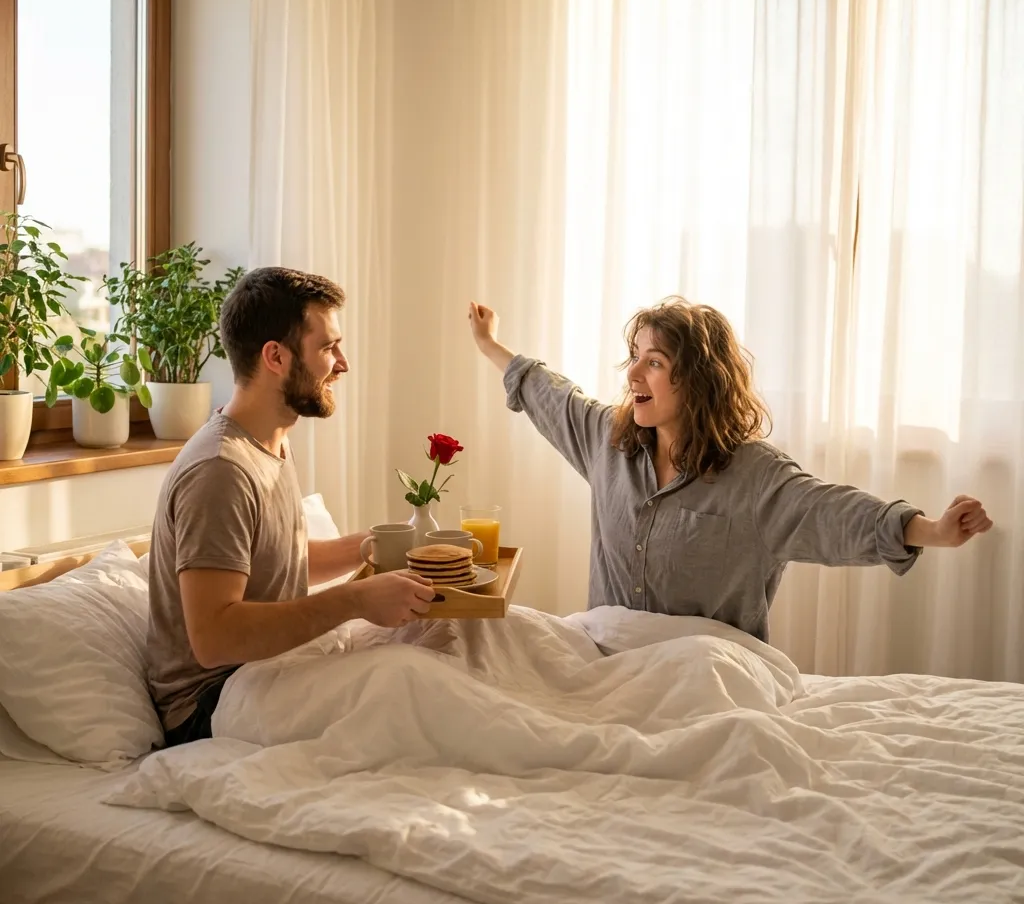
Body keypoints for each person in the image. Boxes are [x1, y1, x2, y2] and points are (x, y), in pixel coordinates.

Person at [468, 297, 993, 641]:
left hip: (704, 678)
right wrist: (490, 344)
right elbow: (551, 393)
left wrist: (933, 530)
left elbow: (834, 513)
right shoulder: (607, 440)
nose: (633, 373)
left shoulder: (756, 477)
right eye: (634, 356)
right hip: (606, 666)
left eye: (655, 361)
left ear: (698, 381)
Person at [146, 267, 435, 746]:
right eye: (328, 348)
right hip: (209, 704)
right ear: (276, 357)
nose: (342, 364)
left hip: (264, 674)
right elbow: (214, 637)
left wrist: (375, 545)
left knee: (442, 647)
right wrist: (355, 600)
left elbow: (277, 562)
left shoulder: (270, 441)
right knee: (411, 683)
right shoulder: (220, 470)